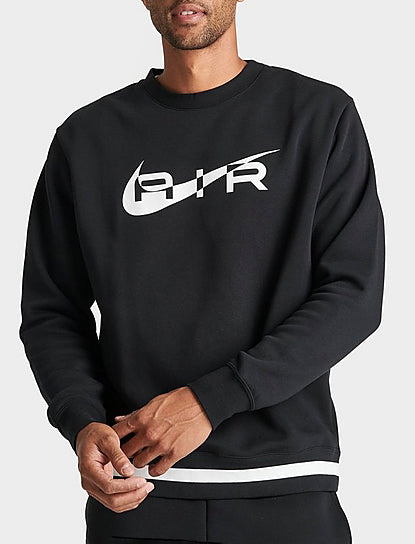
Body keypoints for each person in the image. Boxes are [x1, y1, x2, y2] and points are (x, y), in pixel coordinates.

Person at [19, 1, 385, 543]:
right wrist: (81, 420)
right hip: (136, 491)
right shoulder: (87, 137)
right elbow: (51, 309)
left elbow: (353, 295)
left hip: (285, 486)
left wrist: (212, 400)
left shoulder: (318, 115)